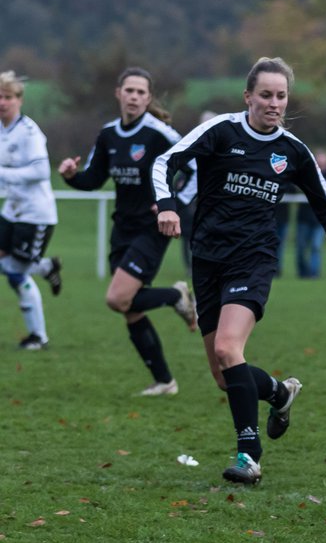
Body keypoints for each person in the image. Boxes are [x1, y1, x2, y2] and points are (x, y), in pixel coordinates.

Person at [152, 57, 326, 485]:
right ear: (248, 96)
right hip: (207, 259)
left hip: (254, 259)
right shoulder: (221, 132)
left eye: (281, 96)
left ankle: (249, 455)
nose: (274, 103)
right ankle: (279, 393)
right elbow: (164, 162)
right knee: (223, 376)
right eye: (265, 95)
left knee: (230, 350)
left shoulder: (292, 151)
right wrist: (168, 205)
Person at [58, 66, 197, 395]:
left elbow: (195, 168)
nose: (134, 97)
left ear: (148, 99)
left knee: (116, 298)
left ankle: (177, 295)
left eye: (141, 92)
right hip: (122, 228)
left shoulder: (159, 133)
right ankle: (165, 381)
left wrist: (170, 204)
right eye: (129, 91)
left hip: (152, 228)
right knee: (130, 309)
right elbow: (92, 180)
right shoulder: (108, 134)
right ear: (118, 93)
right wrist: (70, 175)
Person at [0, 70, 61, 350]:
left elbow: (39, 171)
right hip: (12, 210)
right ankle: (45, 267)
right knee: (10, 270)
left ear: (19, 100)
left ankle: (39, 336)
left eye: (8, 97)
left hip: (36, 214)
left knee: (16, 270)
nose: (2, 102)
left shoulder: (29, 132)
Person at [294, 150, 326, 278]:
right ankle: (302, 273)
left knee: (315, 246)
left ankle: (314, 274)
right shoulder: (305, 171)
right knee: (301, 247)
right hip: (304, 216)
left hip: (320, 218)